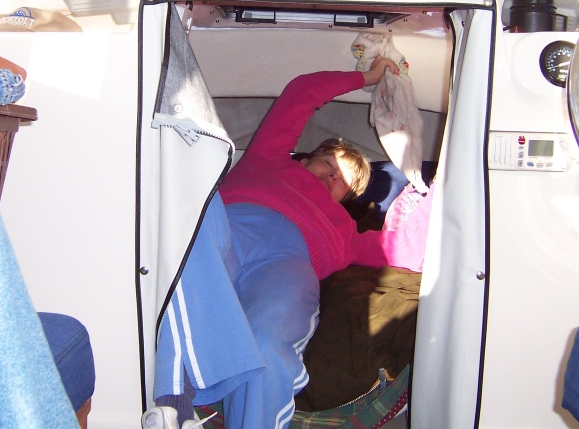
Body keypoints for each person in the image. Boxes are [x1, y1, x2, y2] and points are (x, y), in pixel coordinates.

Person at [143, 56, 415, 429]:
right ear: (305, 160)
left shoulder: (345, 232)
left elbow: (409, 246)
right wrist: (366, 77)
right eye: (328, 165)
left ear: (347, 199)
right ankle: (175, 403)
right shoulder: (270, 158)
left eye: (343, 182)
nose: (333, 176)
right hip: (233, 224)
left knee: (270, 341)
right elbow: (301, 92)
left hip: (289, 264)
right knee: (193, 221)